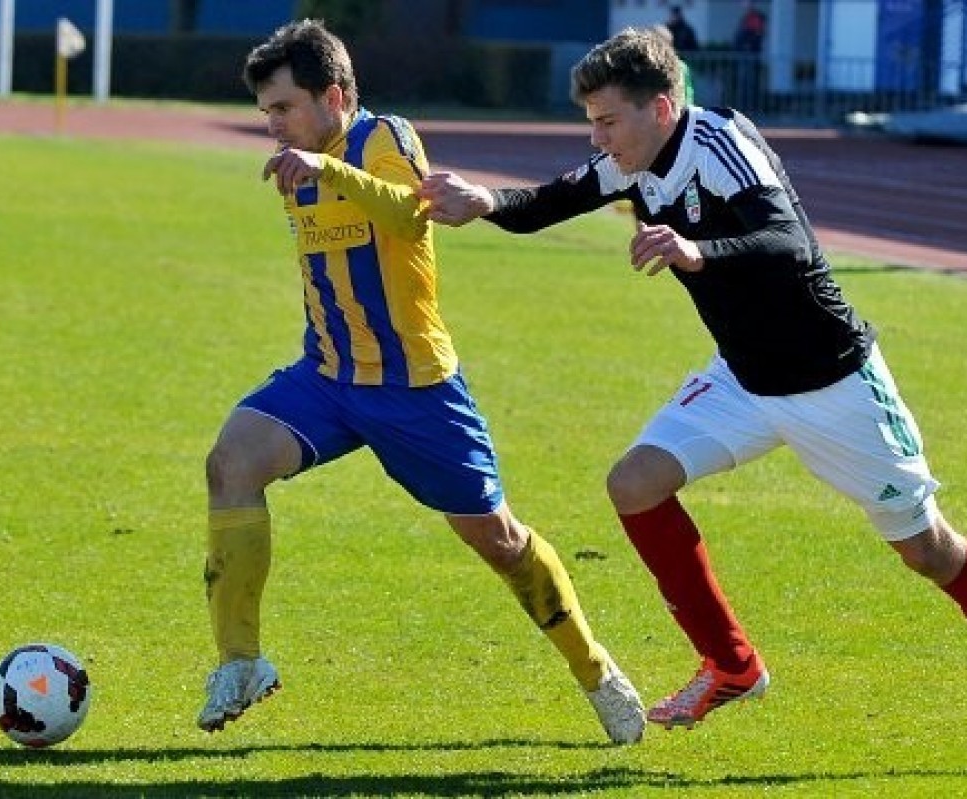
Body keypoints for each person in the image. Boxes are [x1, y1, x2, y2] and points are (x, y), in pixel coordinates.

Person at [418, 27, 967, 773]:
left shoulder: (720, 142)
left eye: (607, 121)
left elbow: (786, 240)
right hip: (743, 380)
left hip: (834, 383)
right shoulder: (630, 162)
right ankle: (731, 663)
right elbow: (554, 198)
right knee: (634, 484)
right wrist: (485, 200)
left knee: (927, 549)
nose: (597, 138)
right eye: (592, 123)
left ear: (661, 108)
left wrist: (698, 251)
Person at [195, 18, 646, 745]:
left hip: (416, 388)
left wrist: (329, 171)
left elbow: (411, 218)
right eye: (265, 111)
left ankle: (595, 670)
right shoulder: (296, 164)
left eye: (283, 107)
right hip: (328, 375)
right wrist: (312, 167)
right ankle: (241, 661)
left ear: (333, 96)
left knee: (499, 541)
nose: (272, 124)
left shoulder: (384, 137)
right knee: (231, 464)